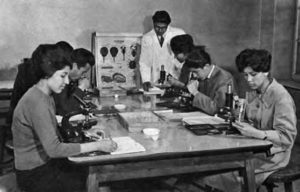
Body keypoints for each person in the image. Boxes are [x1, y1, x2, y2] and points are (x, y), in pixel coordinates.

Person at [12, 44, 117, 192]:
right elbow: (54, 149)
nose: (67, 82)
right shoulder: (37, 102)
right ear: (48, 72)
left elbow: (52, 128)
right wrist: (97, 145)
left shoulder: (43, 94)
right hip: (33, 173)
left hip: (42, 164)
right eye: (63, 75)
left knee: (85, 169)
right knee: (88, 178)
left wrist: (87, 136)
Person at [198, 49, 297, 191]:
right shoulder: (256, 92)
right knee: (214, 162)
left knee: (223, 171)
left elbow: (287, 137)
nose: (249, 80)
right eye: (245, 75)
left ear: (266, 72)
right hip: (255, 147)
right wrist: (238, 115)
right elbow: (253, 118)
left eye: (253, 75)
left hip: (274, 154)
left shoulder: (281, 96)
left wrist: (257, 133)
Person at [7, 41, 74, 124]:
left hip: (18, 116)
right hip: (23, 120)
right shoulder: (43, 75)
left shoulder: (30, 66)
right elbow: (61, 107)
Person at [139, 10, 185, 91]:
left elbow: (184, 58)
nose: (160, 30)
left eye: (163, 28)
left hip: (175, 80)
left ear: (168, 25)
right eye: (157, 27)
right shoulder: (147, 38)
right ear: (153, 23)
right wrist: (146, 80)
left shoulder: (179, 34)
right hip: (155, 82)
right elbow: (144, 62)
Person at [185, 48, 237, 115]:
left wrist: (195, 92)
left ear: (206, 66)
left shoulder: (224, 78)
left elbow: (217, 109)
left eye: (195, 72)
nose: (194, 75)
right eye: (191, 72)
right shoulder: (202, 76)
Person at [53, 48, 95, 115]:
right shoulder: (59, 79)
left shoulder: (72, 80)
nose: (83, 76)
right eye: (83, 72)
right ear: (74, 66)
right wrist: (81, 88)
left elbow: (78, 101)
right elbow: (66, 111)